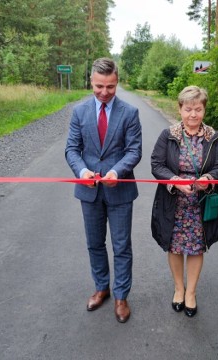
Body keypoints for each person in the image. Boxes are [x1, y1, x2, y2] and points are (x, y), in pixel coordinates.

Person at [65, 58, 142, 323]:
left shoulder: (130, 113)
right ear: (91, 81)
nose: (104, 92)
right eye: (99, 86)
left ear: (117, 81)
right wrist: (82, 171)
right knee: (94, 244)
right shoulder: (79, 111)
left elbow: (134, 151)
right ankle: (102, 288)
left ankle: (121, 295)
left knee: (121, 246)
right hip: (89, 191)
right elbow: (72, 149)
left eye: (110, 86)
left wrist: (117, 172)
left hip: (119, 190)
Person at [150, 86, 218, 318]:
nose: (193, 114)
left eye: (198, 109)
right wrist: (174, 180)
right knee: (173, 246)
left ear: (204, 110)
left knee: (195, 248)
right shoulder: (168, 135)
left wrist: (208, 178)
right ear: (180, 109)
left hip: (199, 204)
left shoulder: (213, 137)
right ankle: (178, 288)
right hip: (172, 202)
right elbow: (156, 165)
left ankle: (191, 292)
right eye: (188, 109)